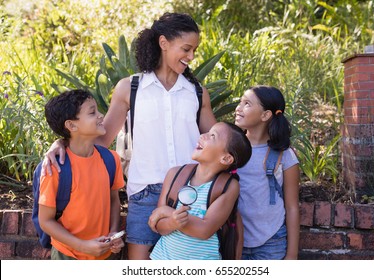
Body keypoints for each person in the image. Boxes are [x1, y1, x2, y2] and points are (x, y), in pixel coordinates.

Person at [41, 12, 216, 259]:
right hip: (144, 193)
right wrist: (60, 141)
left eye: (194, 50)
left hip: (190, 192)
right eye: (186, 49)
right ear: (163, 43)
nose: (191, 57)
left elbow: (219, 141)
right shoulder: (130, 88)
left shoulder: (197, 92)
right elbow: (101, 138)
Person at [39, 89, 125, 260]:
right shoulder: (55, 168)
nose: (101, 115)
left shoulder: (110, 159)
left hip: (107, 255)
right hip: (69, 256)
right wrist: (82, 246)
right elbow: (45, 221)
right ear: (71, 125)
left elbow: (114, 200)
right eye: (92, 112)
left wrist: (114, 232)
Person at [148, 122, 252, 260]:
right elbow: (158, 224)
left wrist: (167, 212)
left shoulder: (228, 187)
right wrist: (172, 222)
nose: (203, 136)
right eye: (207, 132)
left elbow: (204, 230)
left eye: (212, 136)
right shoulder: (174, 175)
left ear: (226, 158)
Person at [234, 85, 300, 260]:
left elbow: (292, 206)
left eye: (247, 104)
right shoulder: (230, 148)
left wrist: (292, 254)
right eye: (240, 101)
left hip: (271, 241)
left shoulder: (285, 155)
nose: (238, 108)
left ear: (265, 115)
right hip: (234, 240)